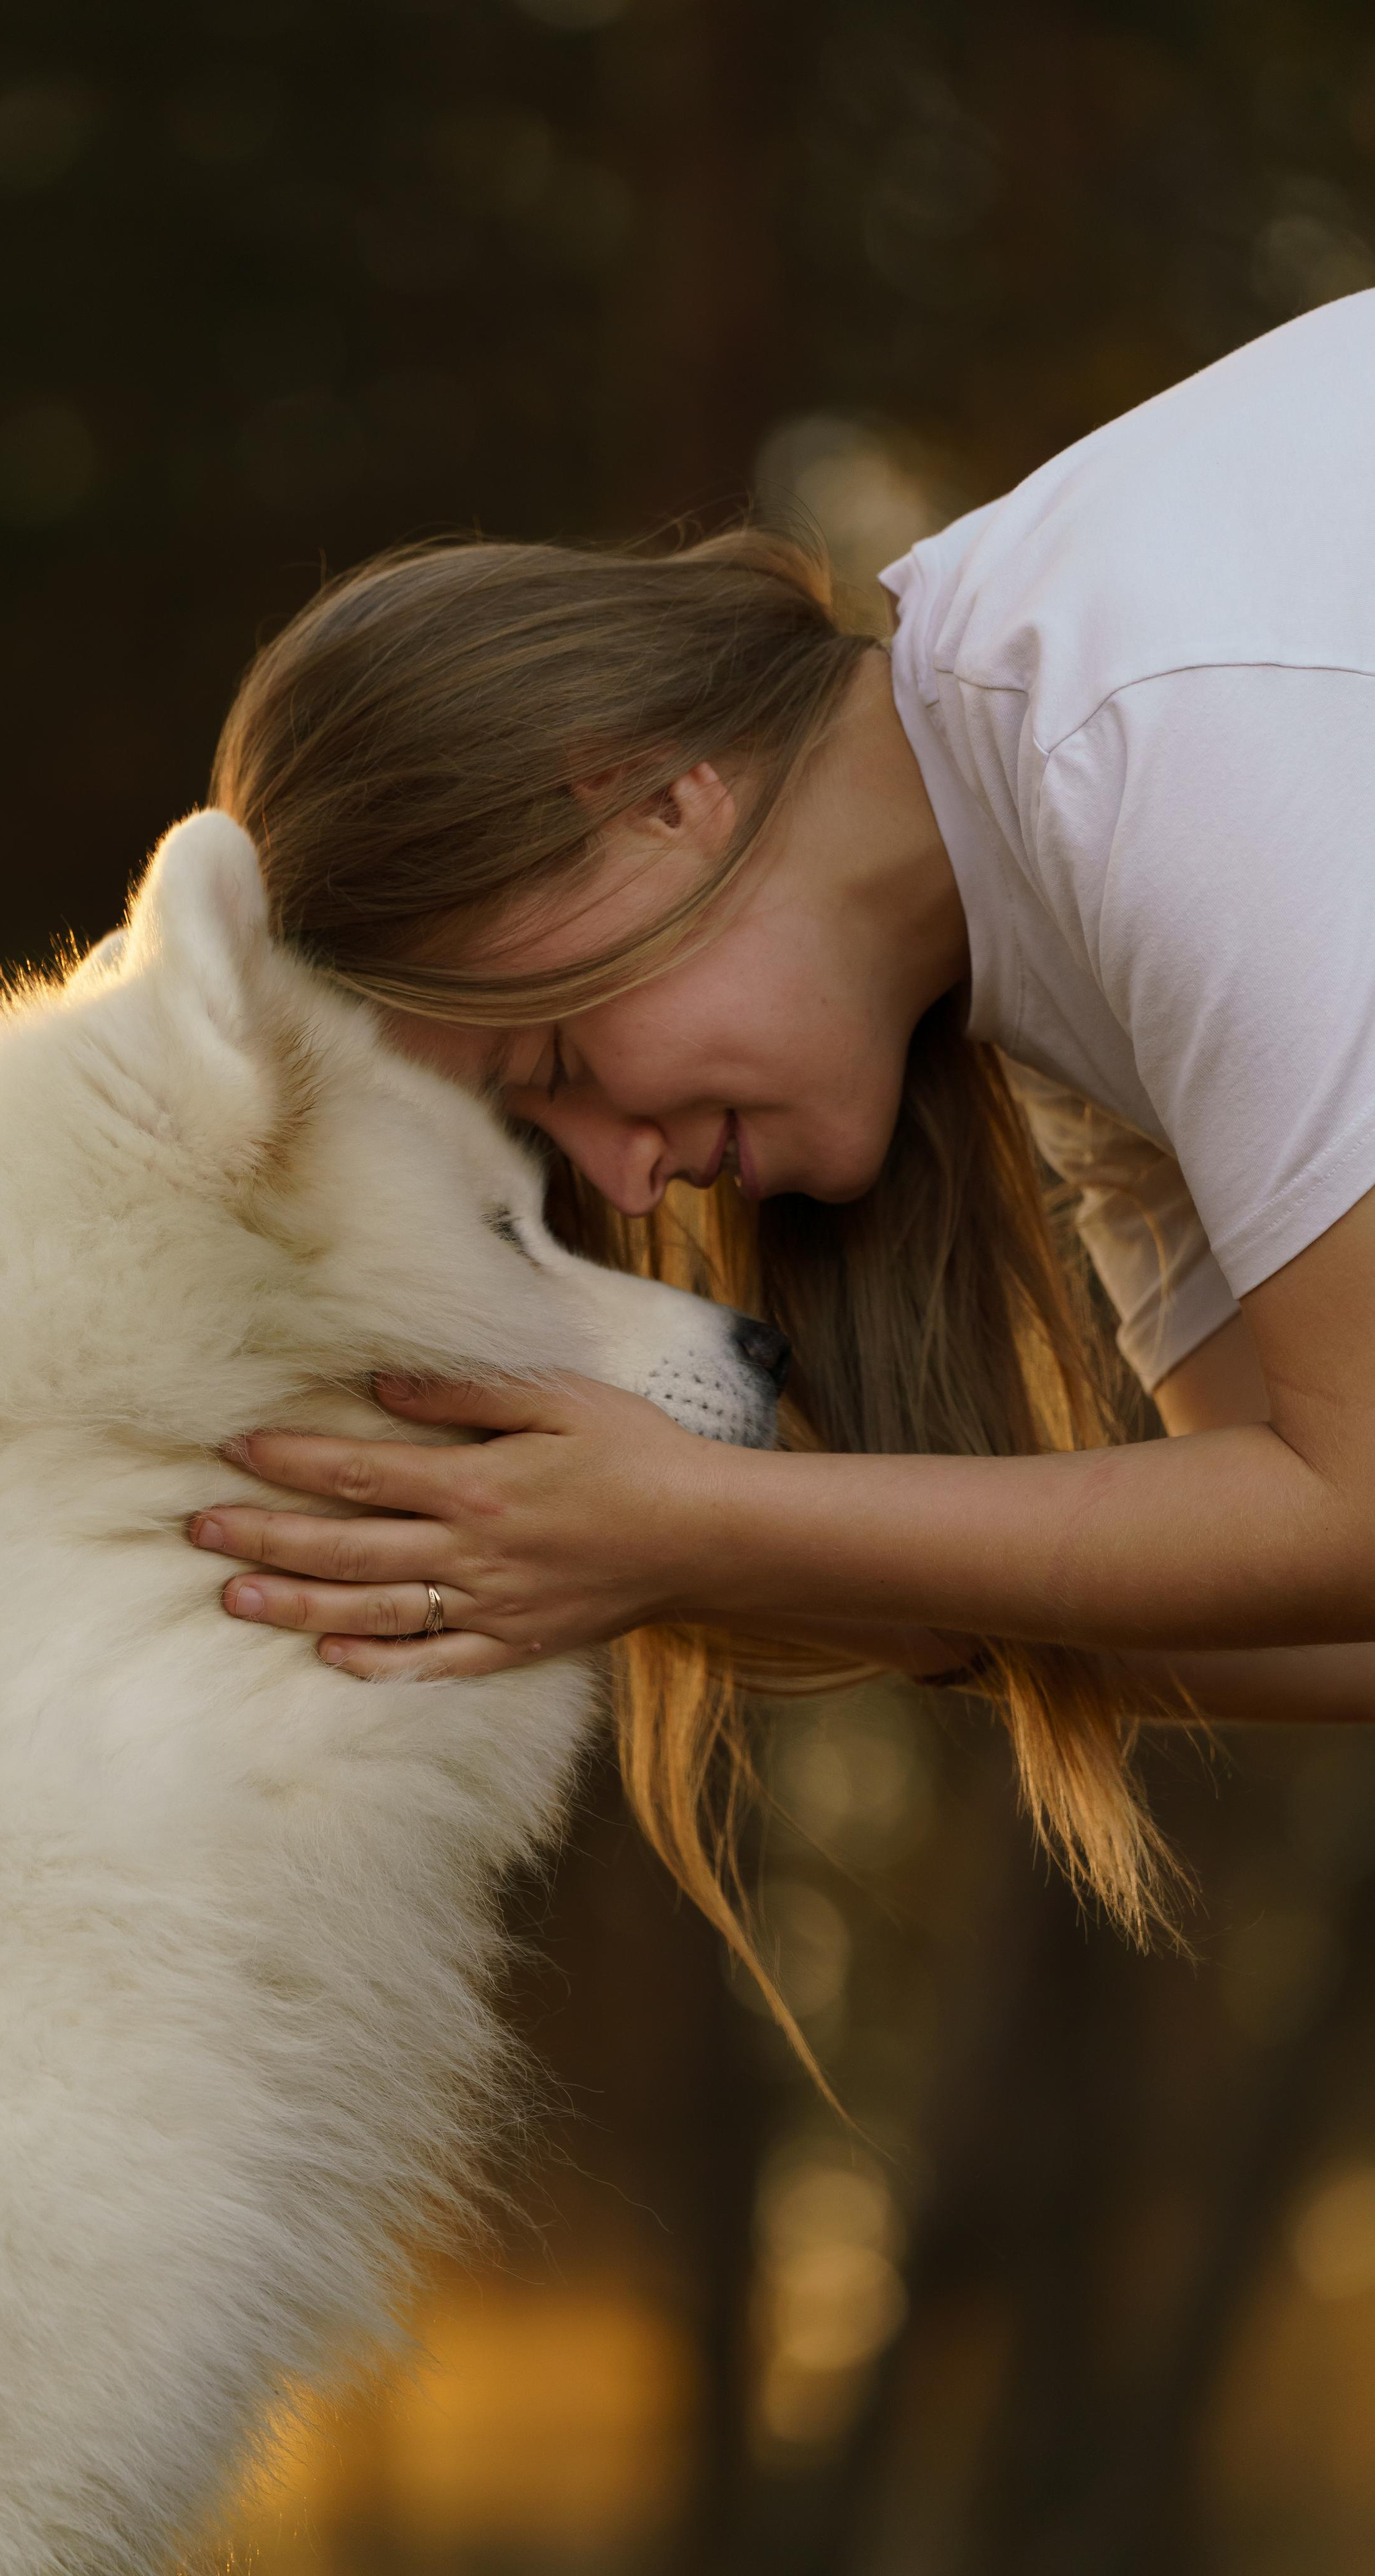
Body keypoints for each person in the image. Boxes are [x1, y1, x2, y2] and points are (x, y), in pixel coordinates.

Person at [187, 287, 1375, 1948]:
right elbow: (1310, 1609)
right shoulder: (1068, 965)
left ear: (652, 796)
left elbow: (1354, 1515)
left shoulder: (1141, 726)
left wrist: (703, 1520)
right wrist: (699, 1558)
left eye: (546, 1067)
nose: (620, 1165)